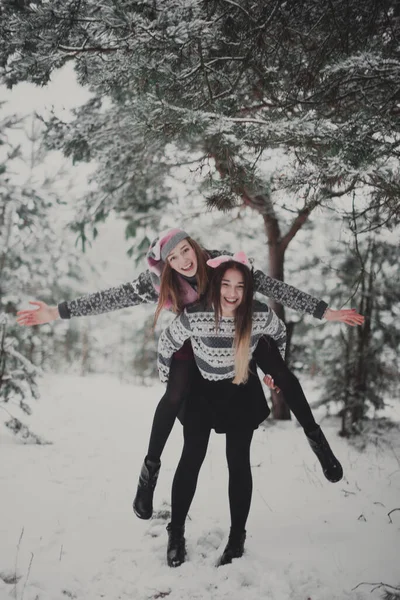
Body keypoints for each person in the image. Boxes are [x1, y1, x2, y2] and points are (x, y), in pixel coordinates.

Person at [16, 228, 364, 521]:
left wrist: (325, 312)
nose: (184, 260)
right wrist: (57, 312)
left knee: (282, 372)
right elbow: (112, 298)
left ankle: (317, 440)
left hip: (241, 332)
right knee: (174, 395)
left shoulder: (222, 264)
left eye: (186, 250)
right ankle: (149, 472)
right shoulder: (158, 282)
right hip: (194, 338)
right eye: (174, 257)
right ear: (165, 262)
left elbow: (274, 288)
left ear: (193, 245)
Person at [157, 254, 340, 567]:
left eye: (240, 286)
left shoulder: (258, 314)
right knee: (191, 458)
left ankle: (236, 537)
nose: (232, 293)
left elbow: (280, 332)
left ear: (248, 290)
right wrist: (169, 384)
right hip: (201, 391)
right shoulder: (195, 315)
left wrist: (269, 370)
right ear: (215, 286)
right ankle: (176, 535)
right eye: (226, 285)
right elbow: (167, 343)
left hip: (240, 388)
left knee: (238, 462)